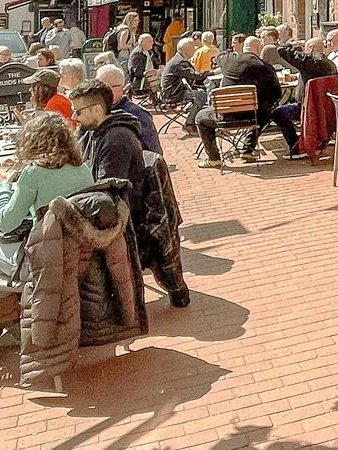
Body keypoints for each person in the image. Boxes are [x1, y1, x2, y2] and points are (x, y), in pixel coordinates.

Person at [71, 82, 189, 305]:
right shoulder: (92, 133)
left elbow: (107, 190)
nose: (74, 116)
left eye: (78, 111)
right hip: (121, 210)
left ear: (97, 110)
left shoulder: (116, 139)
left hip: (129, 219)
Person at [0, 112, 92, 279]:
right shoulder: (83, 169)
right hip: (80, 256)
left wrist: (2, 187)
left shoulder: (34, 172)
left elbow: (6, 223)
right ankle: (6, 303)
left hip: (46, 260)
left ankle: (8, 301)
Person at [196, 37, 295, 167]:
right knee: (265, 111)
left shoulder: (229, 60)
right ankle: (247, 148)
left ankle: (214, 158)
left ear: (243, 48)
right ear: (259, 49)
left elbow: (219, 57)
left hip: (226, 116)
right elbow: (276, 95)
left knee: (200, 117)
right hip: (253, 117)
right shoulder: (265, 68)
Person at [97, 64, 163, 158]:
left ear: (119, 88)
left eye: (100, 88)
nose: (96, 93)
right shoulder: (97, 111)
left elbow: (154, 153)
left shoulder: (137, 114)